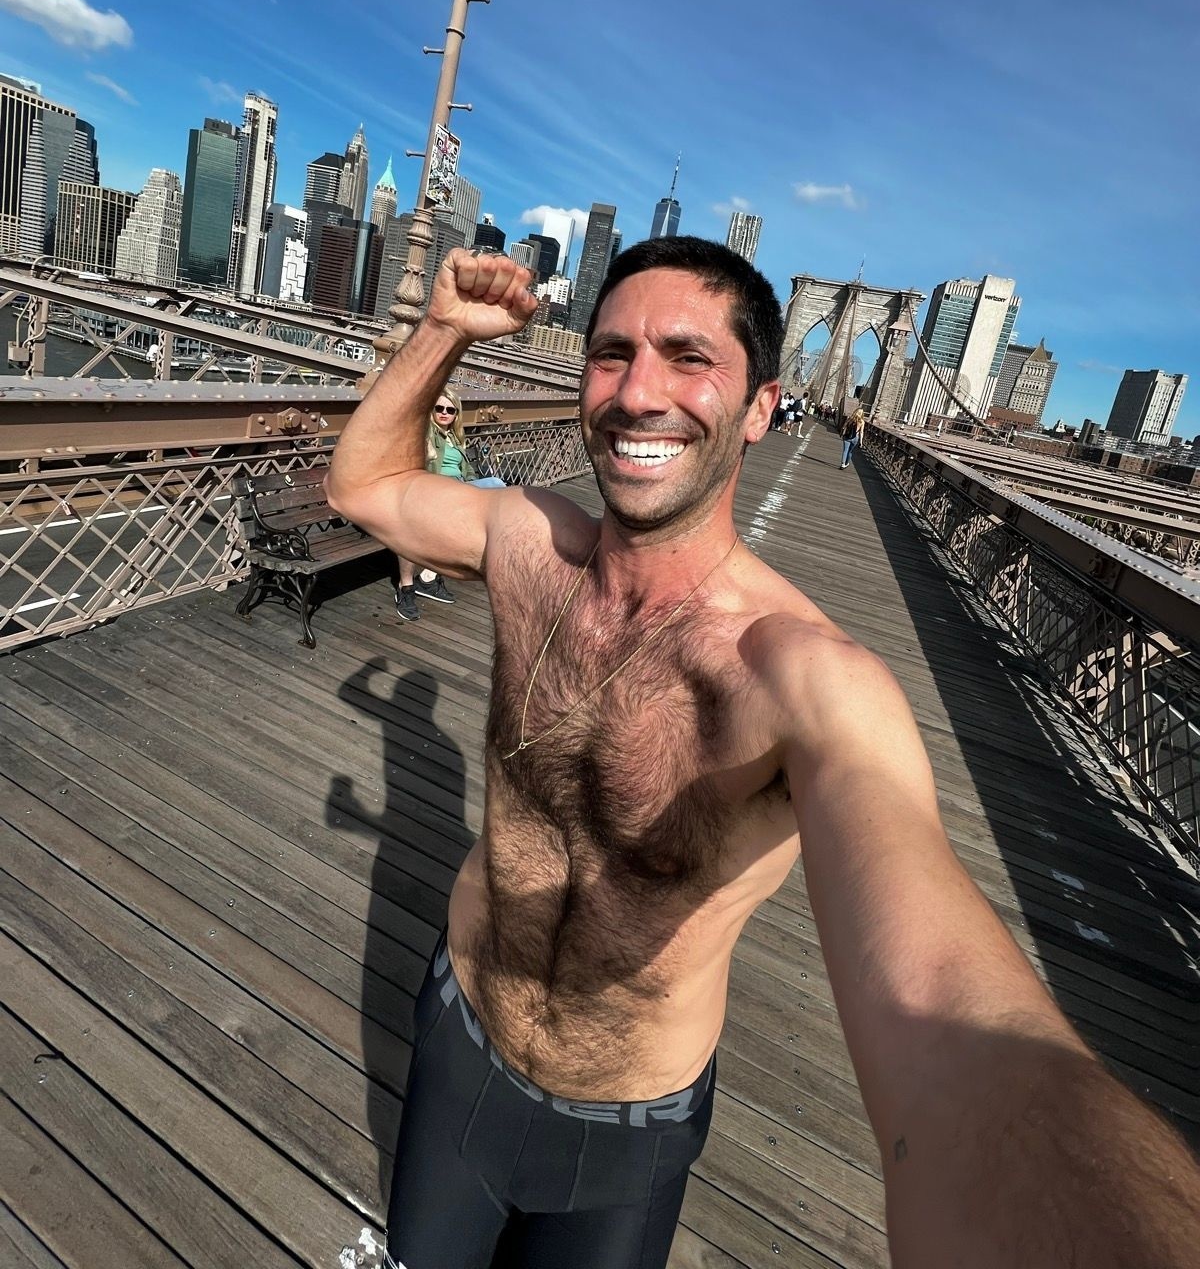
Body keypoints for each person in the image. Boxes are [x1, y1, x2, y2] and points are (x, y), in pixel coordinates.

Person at [327, 237, 1200, 1269]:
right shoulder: (527, 544)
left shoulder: (804, 680)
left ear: (760, 408)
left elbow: (950, 1005)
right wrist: (443, 331)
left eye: (689, 358)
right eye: (611, 354)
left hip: (621, 1135)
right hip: (459, 1041)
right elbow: (364, 484)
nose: (638, 392)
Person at [394, 387, 472, 621]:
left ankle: (427, 578)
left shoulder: (456, 438)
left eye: (450, 410)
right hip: (431, 491)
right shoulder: (427, 431)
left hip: (457, 491)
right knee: (412, 532)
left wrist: (472, 485)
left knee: (497, 489)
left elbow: (466, 470)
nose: (444, 413)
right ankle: (406, 587)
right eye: (439, 408)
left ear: (456, 414)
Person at [840, 402, 866, 469]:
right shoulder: (862, 422)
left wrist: (841, 433)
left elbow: (844, 427)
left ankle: (843, 464)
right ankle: (847, 463)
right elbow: (861, 432)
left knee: (845, 450)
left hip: (847, 436)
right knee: (850, 451)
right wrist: (861, 442)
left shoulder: (850, 418)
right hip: (855, 438)